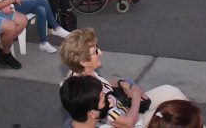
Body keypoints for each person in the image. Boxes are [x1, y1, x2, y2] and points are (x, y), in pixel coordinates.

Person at [60, 28, 189, 126]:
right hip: (132, 119)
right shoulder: (89, 93)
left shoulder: (82, 74)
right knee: (175, 113)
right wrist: (136, 96)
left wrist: (122, 83)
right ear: (83, 61)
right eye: (95, 52)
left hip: (127, 106)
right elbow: (128, 122)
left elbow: (106, 84)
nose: (101, 52)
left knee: (170, 91)